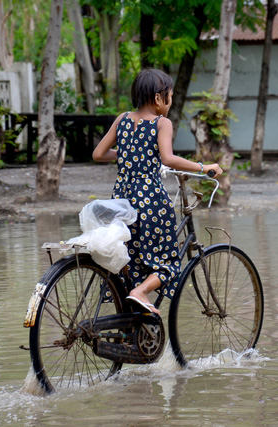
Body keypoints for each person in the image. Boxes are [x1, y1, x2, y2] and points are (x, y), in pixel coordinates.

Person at [93, 69, 223, 315]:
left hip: (121, 198)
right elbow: (168, 158)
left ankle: (130, 322)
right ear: (157, 98)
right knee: (167, 263)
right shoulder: (161, 123)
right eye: (169, 96)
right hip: (149, 199)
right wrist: (204, 167)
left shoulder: (122, 119)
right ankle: (141, 292)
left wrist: (129, 154)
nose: (170, 102)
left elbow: (98, 154)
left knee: (128, 261)